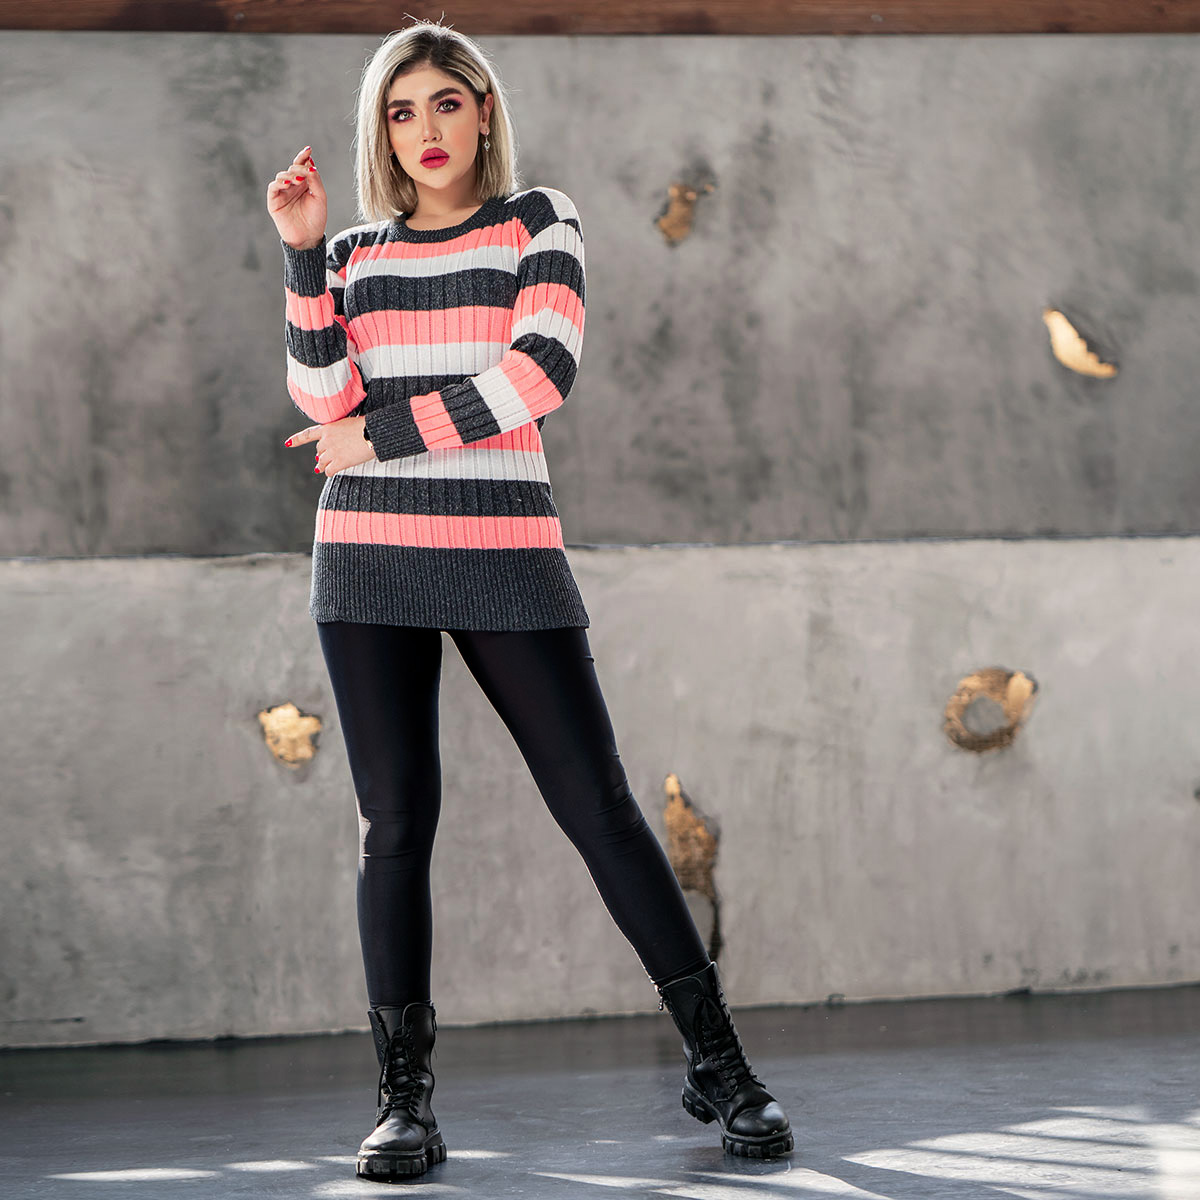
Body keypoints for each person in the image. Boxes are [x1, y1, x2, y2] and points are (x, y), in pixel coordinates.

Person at [266, 18, 793, 1181]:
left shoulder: (538, 222)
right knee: (393, 826)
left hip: (504, 547)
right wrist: (303, 258)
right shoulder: (350, 252)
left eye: (446, 103)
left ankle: (722, 1066)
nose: (426, 130)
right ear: (381, 132)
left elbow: (536, 377)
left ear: (484, 111)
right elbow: (321, 398)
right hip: (367, 560)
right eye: (401, 111)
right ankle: (404, 1102)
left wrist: (381, 437)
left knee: (599, 808)